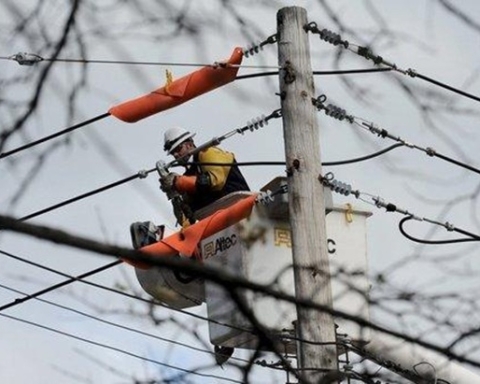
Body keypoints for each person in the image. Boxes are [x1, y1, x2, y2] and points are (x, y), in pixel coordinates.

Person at [160, 126, 250, 219]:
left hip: (240, 206)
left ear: (189, 145)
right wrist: (177, 198)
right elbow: (189, 217)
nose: (175, 154)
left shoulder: (208, 152)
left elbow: (214, 181)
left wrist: (180, 182)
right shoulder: (188, 175)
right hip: (218, 220)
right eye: (172, 153)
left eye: (178, 149)